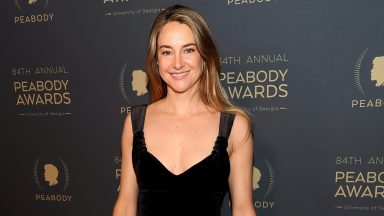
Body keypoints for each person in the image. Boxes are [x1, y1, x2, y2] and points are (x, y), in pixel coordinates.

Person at [113, 4, 256, 216]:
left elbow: (243, 210)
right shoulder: (135, 122)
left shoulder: (234, 127)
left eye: (188, 50)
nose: (177, 63)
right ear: (156, 60)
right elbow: (125, 206)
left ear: (204, 55)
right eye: (167, 52)